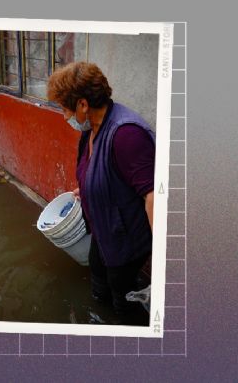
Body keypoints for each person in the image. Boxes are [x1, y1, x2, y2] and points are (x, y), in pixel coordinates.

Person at [47, 62, 155, 315]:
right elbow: (103, 170)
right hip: (103, 230)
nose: (65, 117)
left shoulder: (127, 134)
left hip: (126, 239)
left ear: (83, 104)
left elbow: (154, 196)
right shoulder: (92, 128)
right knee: (97, 274)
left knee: (122, 295)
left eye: (65, 109)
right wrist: (84, 189)